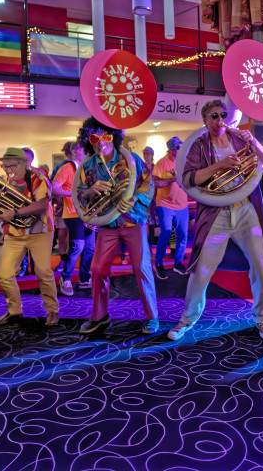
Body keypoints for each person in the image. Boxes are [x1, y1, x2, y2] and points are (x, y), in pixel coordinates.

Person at [167, 100, 263, 341]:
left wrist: (254, 141)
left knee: (260, 265)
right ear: (205, 120)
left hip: (245, 210)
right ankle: (186, 319)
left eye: (223, 115)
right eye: (214, 116)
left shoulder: (240, 139)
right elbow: (189, 179)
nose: (220, 120)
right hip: (215, 212)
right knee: (202, 270)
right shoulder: (199, 145)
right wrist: (221, 166)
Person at [74, 118, 158, 334]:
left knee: (142, 269)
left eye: (106, 136)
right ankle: (99, 317)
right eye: (95, 138)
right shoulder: (88, 166)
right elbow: (79, 194)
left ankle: (152, 317)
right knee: (97, 269)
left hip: (133, 221)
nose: (101, 142)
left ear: (114, 137)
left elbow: (147, 184)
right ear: (89, 141)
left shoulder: (132, 159)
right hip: (107, 225)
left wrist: (134, 198)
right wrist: (90, 191)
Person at [0, 148, 59, 327]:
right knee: (3, 274)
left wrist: (14, 213)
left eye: (12, 166)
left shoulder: (39, 178)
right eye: (5, 166)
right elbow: (3, 205)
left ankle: (52, 310)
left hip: (39, 231)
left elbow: (42, 204)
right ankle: (14, 311)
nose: (8, 170)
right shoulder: (6, 181)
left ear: (24, 164)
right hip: (14, 233)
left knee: (43, 272)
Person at [52, 141, 95, 294]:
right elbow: (54, 188)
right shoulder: (67, 168)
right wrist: (74, 194)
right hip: (72, 212)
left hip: (88, 213)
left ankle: (84, 278)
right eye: (84, 149)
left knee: (90, 248)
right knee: (78, 246)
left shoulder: (88, 168)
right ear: (75, 151)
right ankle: (66, 278)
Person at [153, 136, 189, 278]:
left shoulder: (185, 162)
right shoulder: (161, 163)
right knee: (166, 233)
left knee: (183, 235)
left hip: (182, 205)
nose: (181, 149)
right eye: (179, 147)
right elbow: (156, 183)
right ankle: (159, 263)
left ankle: (178, 263)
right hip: (165, 204)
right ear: (172, 150)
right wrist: (173, 179)